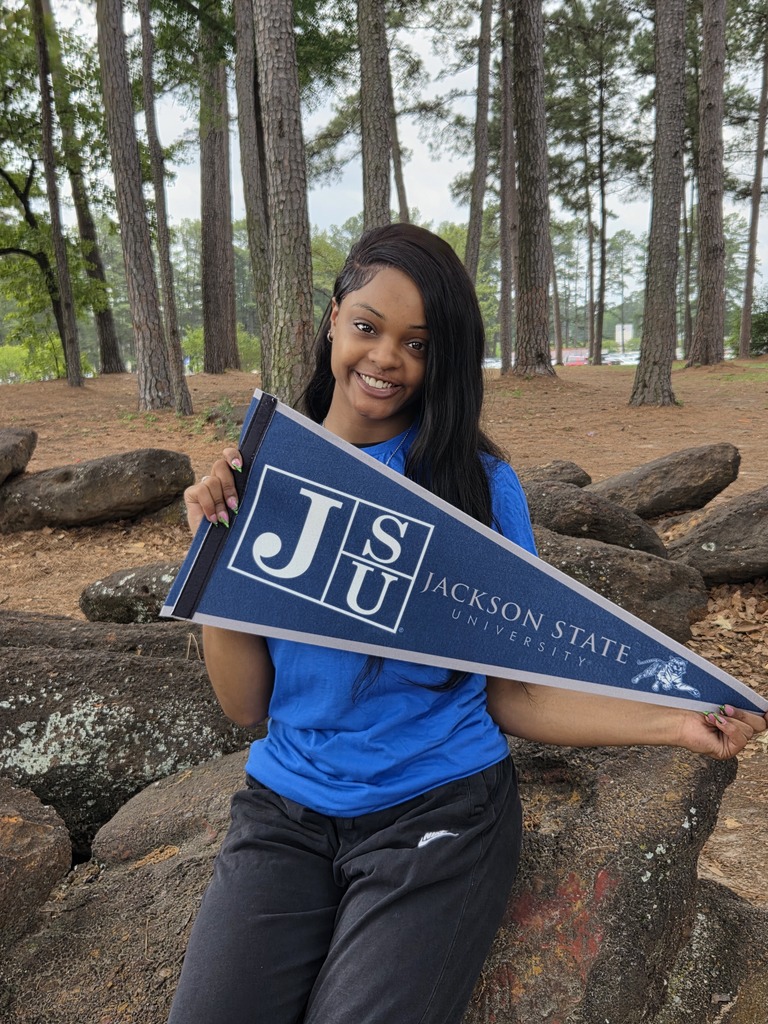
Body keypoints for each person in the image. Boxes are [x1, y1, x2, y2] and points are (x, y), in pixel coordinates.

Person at [170, 224, 767, 1024]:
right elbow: (247, 707)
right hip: (286, 813)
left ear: (440, 358)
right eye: (367, 326)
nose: (385, 358)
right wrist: (220, 559)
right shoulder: (270, 472)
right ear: (332, 318)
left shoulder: (478, 490)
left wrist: (674, 722)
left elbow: (512, 692)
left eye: (417, 343)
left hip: (439, 813)